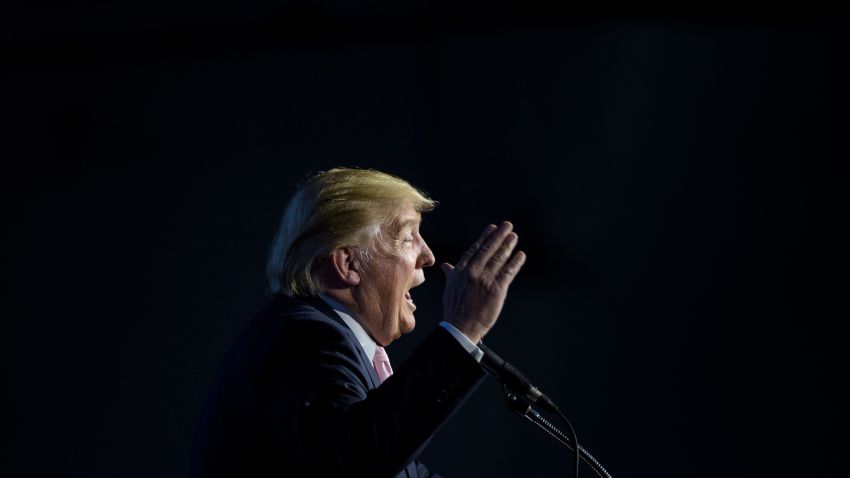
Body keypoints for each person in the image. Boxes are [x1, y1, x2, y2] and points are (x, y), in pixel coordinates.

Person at [190, 168, 526, 477]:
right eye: (408, 237)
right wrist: (462, 328)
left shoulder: (329, 339)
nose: (428, 256)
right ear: (348, 263)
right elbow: (355, 458)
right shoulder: (305, 338)